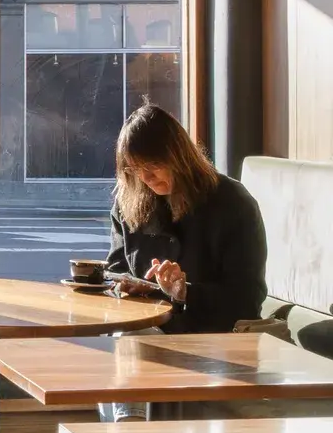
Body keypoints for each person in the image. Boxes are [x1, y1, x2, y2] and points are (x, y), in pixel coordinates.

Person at [104, 103, 267, 334]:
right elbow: (116, 269)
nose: (145, 177)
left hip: (212, 335)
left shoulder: (232, 203)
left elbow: (247, 298)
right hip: (145, 326)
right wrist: (123, 286)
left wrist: (185, 291)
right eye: (133, 169)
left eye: (152, 165)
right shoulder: (128, 203)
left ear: (178, 155)